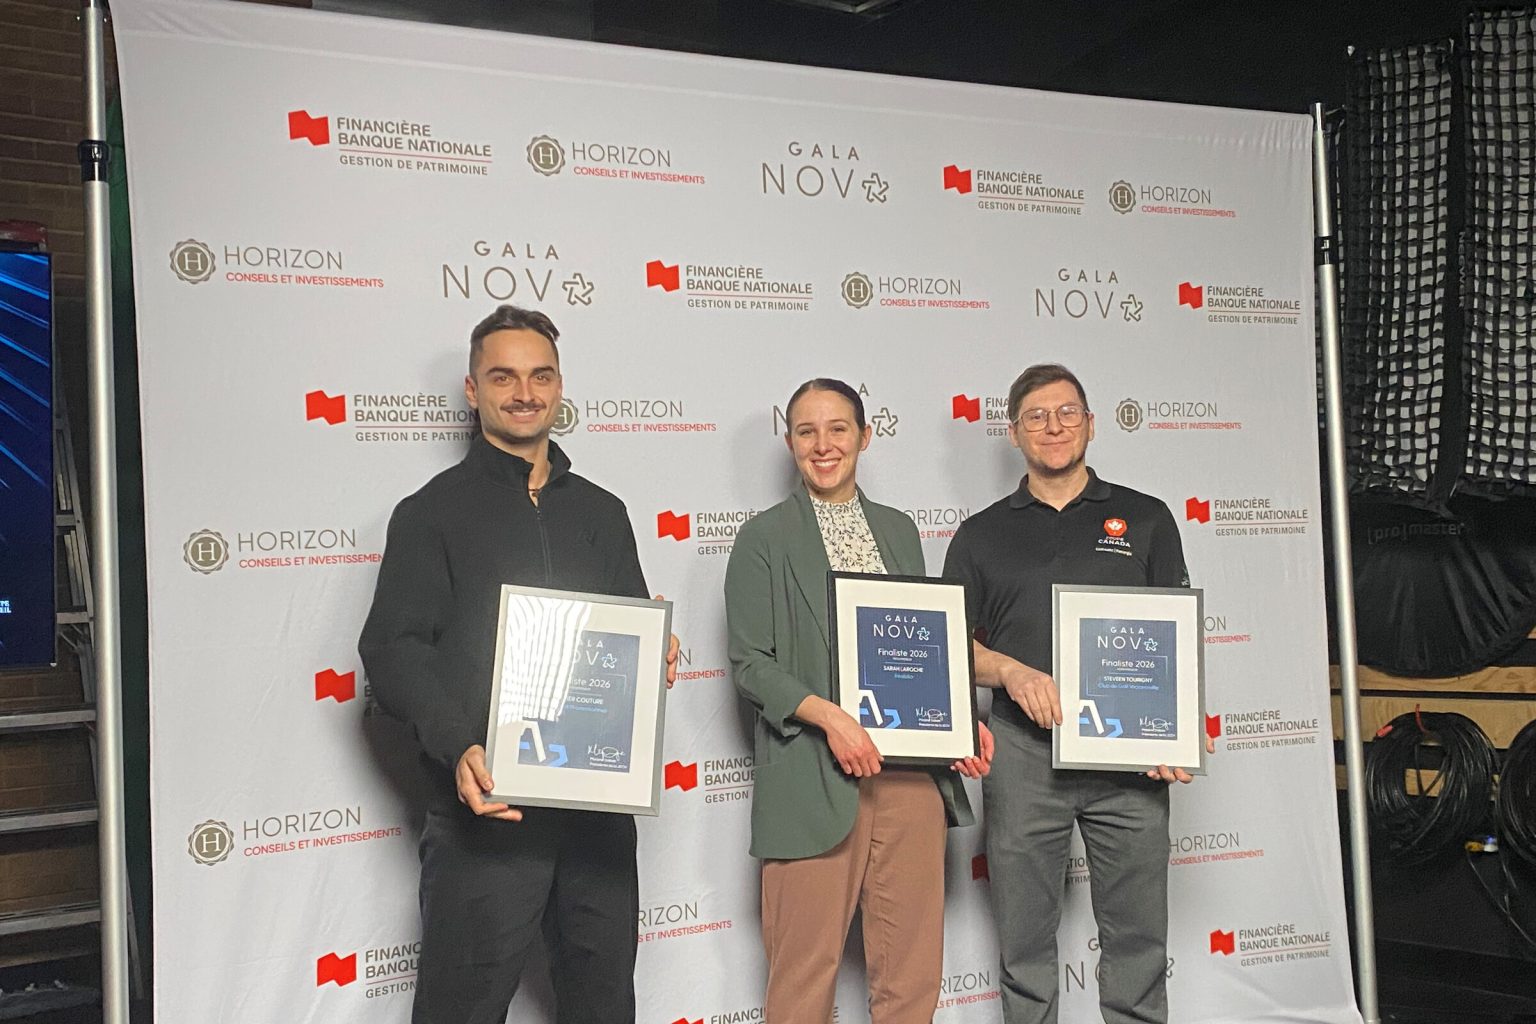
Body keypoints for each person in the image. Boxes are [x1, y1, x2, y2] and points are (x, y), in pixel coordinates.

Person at [359, 304, 677, 1024]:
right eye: (503, 377)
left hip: (596, 820)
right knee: (461, 1011)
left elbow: (626, 637)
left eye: (540, 376)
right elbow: (392, 648)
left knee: (604, 1009)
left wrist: (654, 652)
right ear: (473, 391)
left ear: (560, 386)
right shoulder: (430, 513)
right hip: (485, 812)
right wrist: (458, 746)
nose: (524, 393)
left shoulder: (604, 512)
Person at [942, 363, 1208, 1024]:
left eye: (1066, 413)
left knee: (1138, 942)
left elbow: (1173, 635)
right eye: (1036, 416)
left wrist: (1176, 729)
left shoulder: (1146, 518)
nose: (1053, 426)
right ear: (1014, 433)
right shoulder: (980, 534)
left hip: (1129, 760)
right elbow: (950, 646)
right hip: (1023, 755)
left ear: (1090, 423)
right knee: (1025, 944)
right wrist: (1010, 672)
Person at [724, 378, 994, 1024]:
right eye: (807, 431)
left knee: (911, 977)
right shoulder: (763, 538)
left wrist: (956, 722)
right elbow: (750, 663)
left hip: (908, 780)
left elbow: (917, 646)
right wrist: (831, 718)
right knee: (802, 977)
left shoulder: (898, 530)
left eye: (838, 428)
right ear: (790, 442)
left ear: (865, 437)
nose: (824, 445)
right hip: (813, 775)